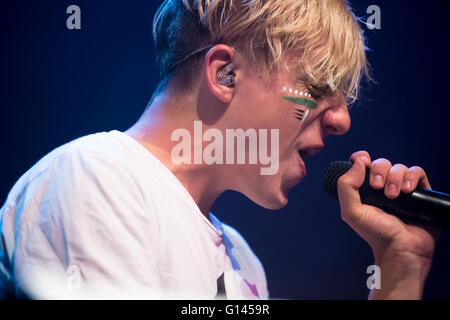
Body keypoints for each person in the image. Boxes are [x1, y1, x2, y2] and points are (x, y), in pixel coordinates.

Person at [0, 0, 439, 299]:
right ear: (225, 73)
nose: (342, 120)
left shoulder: (244, 261)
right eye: (316, 87)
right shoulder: (97, 180)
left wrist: (399, 269)